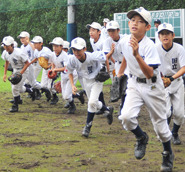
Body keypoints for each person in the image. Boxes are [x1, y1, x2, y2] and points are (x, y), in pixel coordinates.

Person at [117, 7, 174, 171]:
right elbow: (125, 57)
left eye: (140, 21)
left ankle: (167, 153)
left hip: (153, 86)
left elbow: (149, 73)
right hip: (134, 83)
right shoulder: (125, 40)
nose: (135, 23)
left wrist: (137, 55)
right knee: (126, 117)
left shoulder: (151, 46)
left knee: (161, 127)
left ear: (148, 27)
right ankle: (141, 137)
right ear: (129, 23)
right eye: (133, 20)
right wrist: (120, 72)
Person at [66, 37, 114, 137]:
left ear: (84, 49)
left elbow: (105, 57)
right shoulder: (72, 59)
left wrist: (108, 71)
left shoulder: (92, 56)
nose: (76, 52)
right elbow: (70, 72)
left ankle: (87, 127)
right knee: (92, 103)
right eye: (74, 49)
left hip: (97, 80)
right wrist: (72, 85)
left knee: (92, 102)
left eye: (78, 50)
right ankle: (108, 110)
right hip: (85, 81)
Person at [156, 23, 185, 145]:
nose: (165, 36)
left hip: (176, 82)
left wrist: (171, 79)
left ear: (173, 35)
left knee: (179, 114)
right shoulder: (156, 48)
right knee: (166, 112)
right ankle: (165, 133)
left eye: (167, 33)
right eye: (162, 34)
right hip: (162, 83)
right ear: (159, 37)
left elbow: (183, 68)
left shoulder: (179, 49)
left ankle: (174, 132)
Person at [49, 37, 84, 113]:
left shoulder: (65, 56)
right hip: (63, 75)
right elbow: (53, 63)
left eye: (56, 46)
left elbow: (66, 68)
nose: (54, 48)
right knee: (64, 96)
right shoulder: (52, 54)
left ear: (61, 46)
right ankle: (78, 95)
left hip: (71, 74)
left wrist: (55, 70)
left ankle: (72, 107)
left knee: (67, 96)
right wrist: (52, 70)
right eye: (53, 46)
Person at [2, 36, 35, 112]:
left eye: (7, 45)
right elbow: (6, 62)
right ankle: (30, 91)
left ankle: (15, 106)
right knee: (18, 88)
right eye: (4, 45)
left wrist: (20, 73)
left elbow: (27, 63)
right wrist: (5, 74)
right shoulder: (5, 53)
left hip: (24, 69)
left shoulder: (19, 53)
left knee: (15, 88)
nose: (6, 47)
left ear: (12, 45)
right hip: (15, 70)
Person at [103, 20, 127, 115]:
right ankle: (123, 104)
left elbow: (127, 55)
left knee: (127, 86)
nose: (111, 33)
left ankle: (124, 106)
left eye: (113, 30)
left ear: (118, 30)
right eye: (109, 31)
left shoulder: (125, 39)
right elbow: (106, 57)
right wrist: (111, 53)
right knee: (119, 86)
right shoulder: (107, 41)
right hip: (117, 64)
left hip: (128, 64)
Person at [86, 22, 108, 114]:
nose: (91, 32)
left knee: (119, 86)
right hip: (100, 64)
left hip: (110, 63)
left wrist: (107, 69)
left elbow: (106, 55)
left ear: (99, 32)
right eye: (90, 30)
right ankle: (102, 107)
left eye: (93, 30)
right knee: (98, 86)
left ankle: (123, 107)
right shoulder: (92, 40)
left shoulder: (103, 41)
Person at [30, 36, 59, 104]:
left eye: (36, 43)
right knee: (43, 86)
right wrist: (29, 63)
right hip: (45, 69)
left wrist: (52, 69)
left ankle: (55, 97)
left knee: (50, 86)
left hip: (51, 69)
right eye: (34, 43)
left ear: (41, 43)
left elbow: (53, 59)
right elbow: (36, 58)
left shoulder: (46, 51)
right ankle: (48, 93)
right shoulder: (36, 51)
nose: (34, 45)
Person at [18, 31, 44, 100]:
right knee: (29, 81)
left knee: (31, 81)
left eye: (23, 38)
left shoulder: (31, 44)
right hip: (28, 65)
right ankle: (35, 91)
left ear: (27, 38)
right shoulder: (22, 47)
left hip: (35, 64)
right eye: (21, 38)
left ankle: (40, 90)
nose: (22, 39)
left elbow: (35, 49)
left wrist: (29, 41)